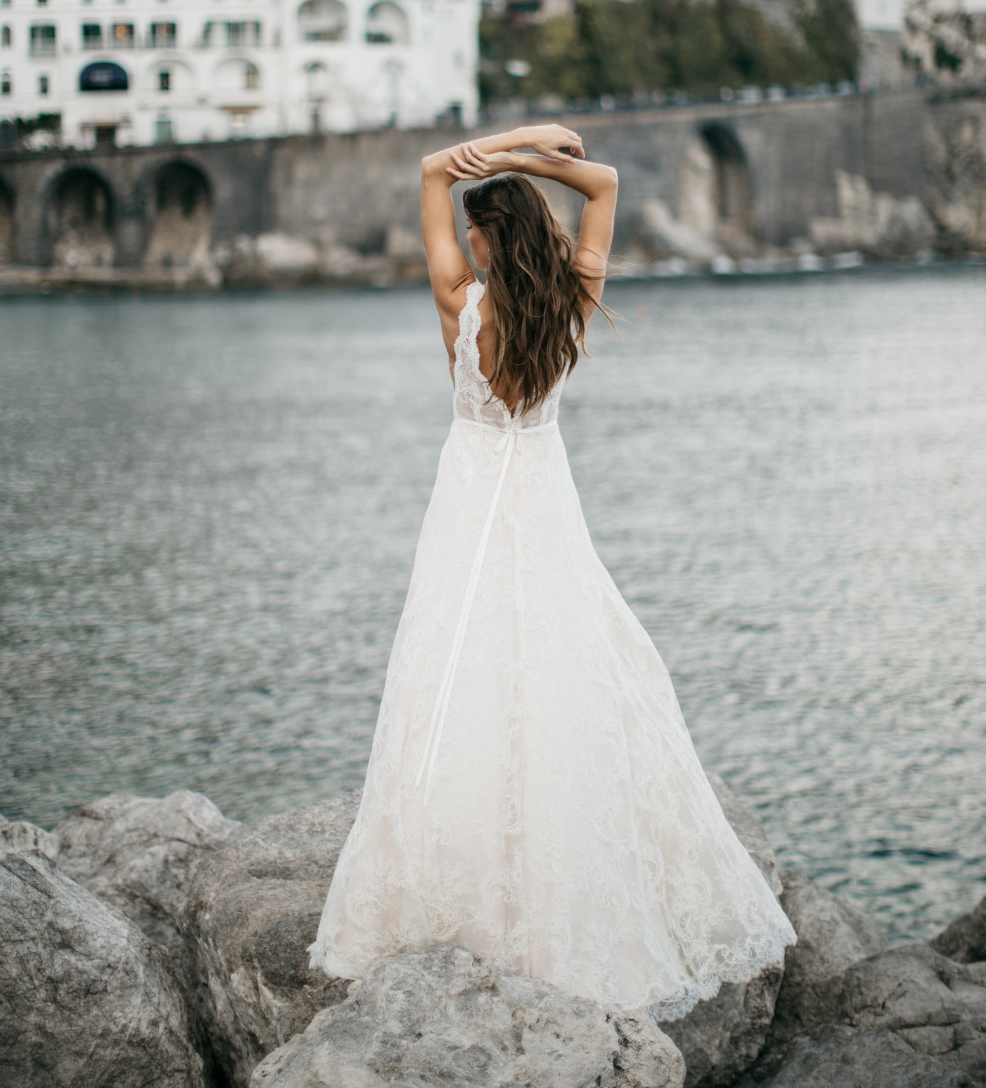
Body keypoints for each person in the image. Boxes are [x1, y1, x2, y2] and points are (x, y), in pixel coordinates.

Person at [310, 122, 795, 1016]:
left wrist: (503, 145)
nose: (467, 243)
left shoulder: (460, 303)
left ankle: (451, 871)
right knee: (556, 677)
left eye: (475, 230)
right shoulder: (571, 296)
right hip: (543, 500)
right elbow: (604, 185)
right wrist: (535, 160)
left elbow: (428, 170)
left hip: (466, 504)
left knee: (456, 674)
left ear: (487, 239)